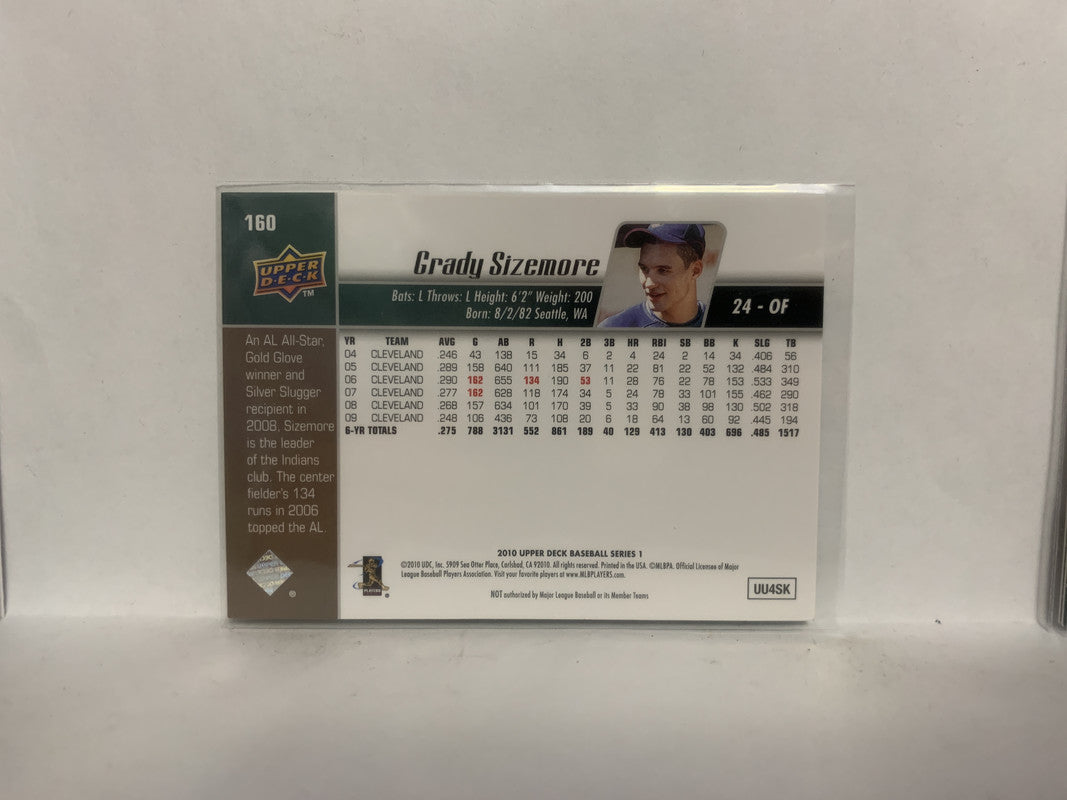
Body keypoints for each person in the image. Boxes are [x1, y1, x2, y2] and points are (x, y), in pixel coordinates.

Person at [599, 223, 707, 327]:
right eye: (644, 269)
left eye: (662, 270)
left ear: (695, 271)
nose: (649, 284)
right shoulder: (613, 329)